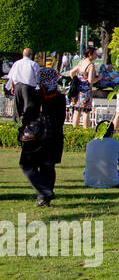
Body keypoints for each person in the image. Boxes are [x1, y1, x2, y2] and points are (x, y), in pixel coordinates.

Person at [19, 68, 66, 207]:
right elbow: (61, 118)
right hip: (55, 136)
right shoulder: (60, 97)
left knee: (27, 165)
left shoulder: (36, 94)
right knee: (48, 166)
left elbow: (29, 113)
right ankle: (45, 197)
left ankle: (44, 192)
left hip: (37, 137)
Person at [84, 121, 119, 188]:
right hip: (112, 182)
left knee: (86, 171)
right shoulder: (117, 143)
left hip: (89, 181)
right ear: (112, 132)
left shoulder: (90, 144)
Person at [5, 47, 39, 125]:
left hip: (17, 86)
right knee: (28, 105)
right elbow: (38, 76)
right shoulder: (33, 64)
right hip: (28, 87)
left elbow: (12, 76)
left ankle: (16, 122)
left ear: (23, 54)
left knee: (17, 105)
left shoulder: (17, 63)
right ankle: (27, 123)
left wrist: (13, 87)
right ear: (31, 55)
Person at [69, 47, 100, 129]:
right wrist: (98, 78)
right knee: (86, 111)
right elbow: (90, 80)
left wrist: (76, 80)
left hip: (77, 90)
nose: (96, 56)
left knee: (77, 111)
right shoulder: (91, 65)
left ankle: (74, 130)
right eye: (95, 54)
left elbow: (71, 73)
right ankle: (85, 131)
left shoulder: (81, 63)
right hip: (86, 91)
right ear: (90, 54)